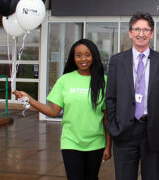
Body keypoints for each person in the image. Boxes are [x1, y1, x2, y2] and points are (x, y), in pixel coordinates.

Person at [13, 39, 111, 180]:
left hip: (96, 143)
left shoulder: (103, 81)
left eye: (87, 55)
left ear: (94, 56)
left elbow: (107, 118)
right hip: (70, 142)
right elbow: (54, 111)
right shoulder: (65, 80)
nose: (83, 59)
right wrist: (30, 99)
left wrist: (108, 146)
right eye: (78, 55)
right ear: (73, 58)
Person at [106, 11, 159, 180]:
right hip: (124, 132)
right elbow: (111, 98)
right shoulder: (117, 61)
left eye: (146, 30)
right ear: (130, 33)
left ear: (152, 34)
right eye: (137, 29)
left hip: (153, 132)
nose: (141, 34)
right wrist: (114, 127)